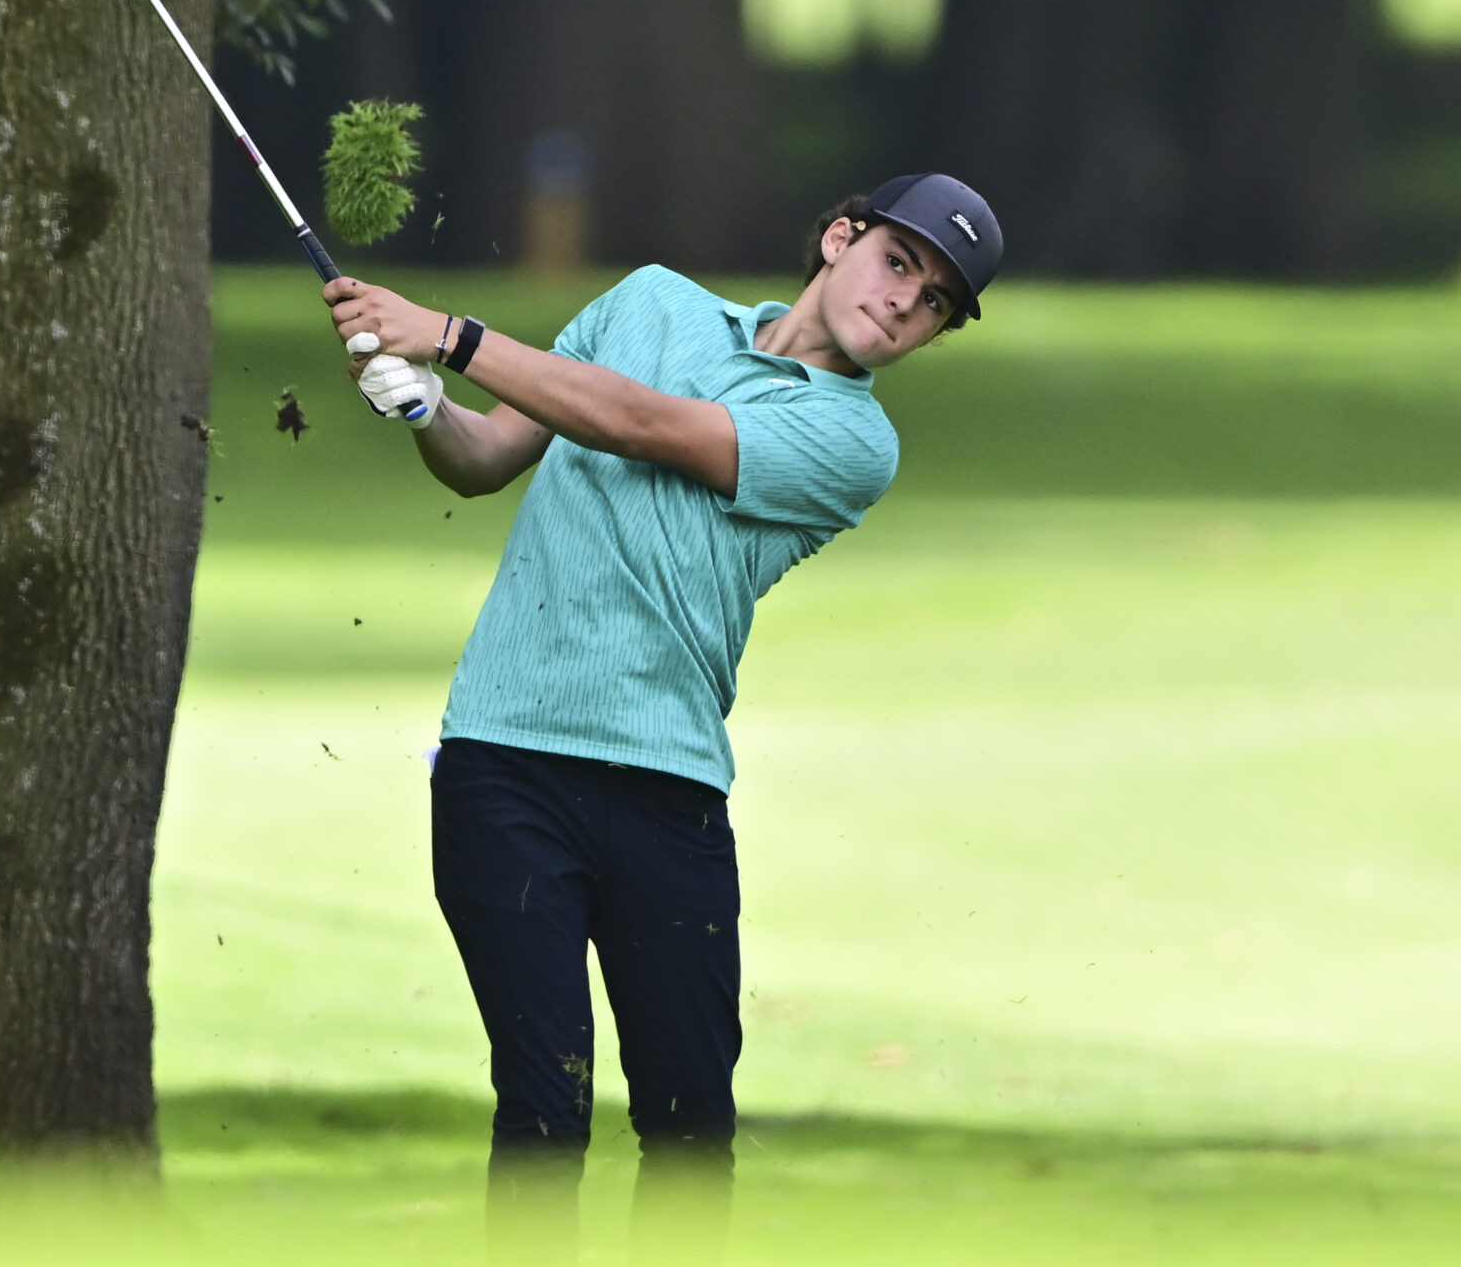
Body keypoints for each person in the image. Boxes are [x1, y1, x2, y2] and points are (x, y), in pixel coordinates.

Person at [323, 173, 1003, 1264]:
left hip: (668, 790)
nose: (901, 303)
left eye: (933, 304)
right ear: (841, 237)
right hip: (507, 760)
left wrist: (447, 335)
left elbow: (645, 425)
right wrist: (421, 404)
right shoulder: (648, 302)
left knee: (690, 1130)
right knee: (543, 1108)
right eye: (897, 262)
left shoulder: (852, 442)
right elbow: (485, 457)